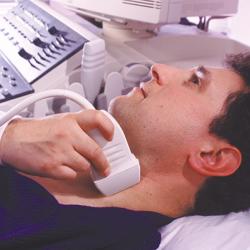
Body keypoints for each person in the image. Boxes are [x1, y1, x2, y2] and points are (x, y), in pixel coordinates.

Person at [0, 52, 250, 249]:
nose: (159, 68)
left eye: (195, 81)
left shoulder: (104, 240)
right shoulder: (45, 148)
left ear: (212, 157)